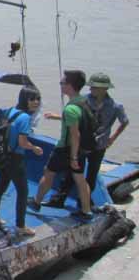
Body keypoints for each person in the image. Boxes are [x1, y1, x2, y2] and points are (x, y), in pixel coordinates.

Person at [47, 72, 130, 207]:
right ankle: (58, 199)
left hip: (99, 146)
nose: (91, 89)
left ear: (105, 89)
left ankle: (83, 202)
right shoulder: (83, 100)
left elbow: (124, 122)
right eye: (91, 87)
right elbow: (73, 118)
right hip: (82, 144)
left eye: (94, 87)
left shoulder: (116, 106)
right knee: (71, 173)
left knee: (91, 176)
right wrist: (56, 117)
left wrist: (112, 138)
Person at [28, 70, 93, 220]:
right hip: (81, 149)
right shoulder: (83, 101)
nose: (60, 85)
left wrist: (73, 157)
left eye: (62, 83)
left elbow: (75, 134)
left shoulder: (70, 108)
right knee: (80, 179)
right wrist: (58, 116)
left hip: (66, 149)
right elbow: (76, 122)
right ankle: (86, 210)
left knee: (48, 173)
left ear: (70, 86)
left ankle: (36, 202)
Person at [0, 87, 44, 237]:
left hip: (3, 156)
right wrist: (34, 148)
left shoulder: (10, 111)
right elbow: (22, 142)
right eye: (32, 99)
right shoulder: (25, 118)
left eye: (38, 99)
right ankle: (20, 226)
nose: (36, 102)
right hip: (15, 158)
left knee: (0, 188)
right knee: (23, 192)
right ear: (24, 99)